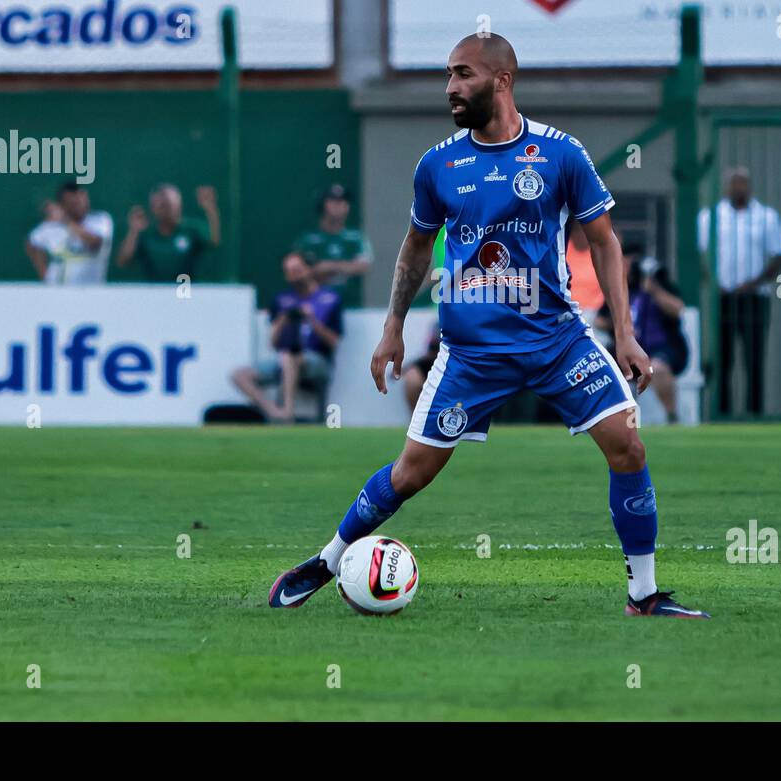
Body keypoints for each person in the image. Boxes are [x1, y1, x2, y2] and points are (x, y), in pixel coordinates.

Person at [268, 32, 708, 618]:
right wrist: (394, 324)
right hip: (472, 351)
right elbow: (416, 248)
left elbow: (604, 242)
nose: (451, 87)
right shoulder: (439, 164)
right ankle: (325, 562)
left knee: (627, 445)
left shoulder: (560, 154)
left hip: (557, 339)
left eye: (463, 75)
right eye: (448, 76)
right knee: (411, 472)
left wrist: (624, 332)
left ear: (502, 80)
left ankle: (644, 596)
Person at [699, 166, 781, 417]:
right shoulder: (711, 216)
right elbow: (696, 253)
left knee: (754, 359)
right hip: (724, 297)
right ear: (726, 186)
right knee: (723, 359)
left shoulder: (767, 217)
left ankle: (754, 413)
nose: (737, 187)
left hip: (754, 297)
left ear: (749, 186)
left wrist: (754, 282)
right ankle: (723, 412)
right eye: (733, 183)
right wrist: (711, 279)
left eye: (742, 183)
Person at [232, 252, 343, 423]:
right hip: (283, 359)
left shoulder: (330, 299)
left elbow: (334, 342)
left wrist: (312, 320)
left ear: (309, 269)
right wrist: (281, 321)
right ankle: (275, 411)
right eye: (289, 272)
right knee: (240, 375)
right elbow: (273, 343)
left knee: (291, 354)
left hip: (317, 360)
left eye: (297, 270)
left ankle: (287, 413)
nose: (294, 276)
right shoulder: (282, 299)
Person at [598, 249, 688, 423]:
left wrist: (654, 290)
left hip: (662, 347)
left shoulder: (664, 286)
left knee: (658, 367)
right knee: (608, 370)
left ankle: (672, 417)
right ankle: (627, 422)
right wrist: (620, 322)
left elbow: (678, 309)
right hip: (628, 346)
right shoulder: (622, 290)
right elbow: (600, 320)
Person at [116, 183, 221, 281]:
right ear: (152, 208)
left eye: (168, 205)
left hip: (185, 292)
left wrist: (211, 210)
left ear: (179, 205)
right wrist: (133, 231)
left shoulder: (191, 230)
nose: (165, 210)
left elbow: (213, 242)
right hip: (153, 295)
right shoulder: (146, 235)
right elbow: (123, 261)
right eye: (161, 206)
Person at [292, 184, 373, 305]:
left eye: (344, 201)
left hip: (351, 304)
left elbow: (363, 265)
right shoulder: (307, 240)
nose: (340, 205)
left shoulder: (356, 238)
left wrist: (328, 266)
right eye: (334, 201)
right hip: (314, 305)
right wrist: (345, 266)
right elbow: (297, 270)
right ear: (322, 204)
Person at [25, 182, 113, 285]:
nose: (79, 206)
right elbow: (32, 243)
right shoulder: (51, 226)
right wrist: (45, 275)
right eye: (73, 203)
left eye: (81, 201)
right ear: (63, 205)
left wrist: (65, 221)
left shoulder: (100, 220)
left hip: (90, 292)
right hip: (57, 293)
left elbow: (95, 243)